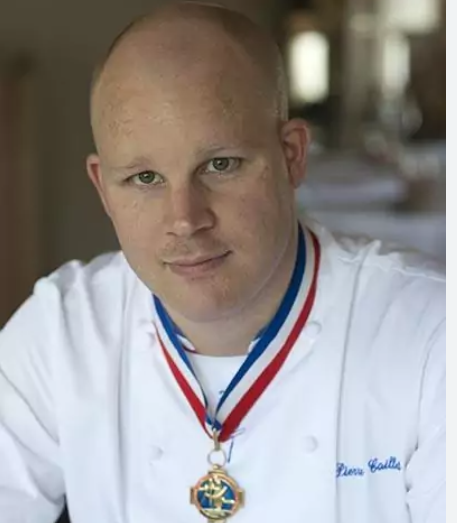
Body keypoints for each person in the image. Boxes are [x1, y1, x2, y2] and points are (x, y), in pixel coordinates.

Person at [0, 2, 445, 522]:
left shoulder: (430, 333)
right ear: (103, 187)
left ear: (292, 156)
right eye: (144, 178)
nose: (185, 220)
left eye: (220, 164)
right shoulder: (62, 335)